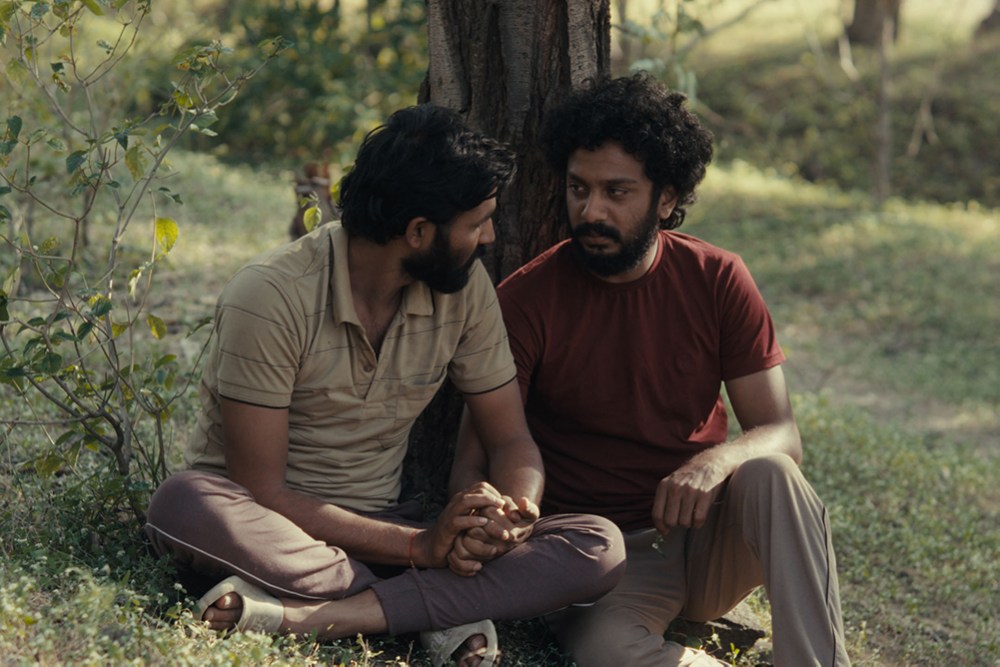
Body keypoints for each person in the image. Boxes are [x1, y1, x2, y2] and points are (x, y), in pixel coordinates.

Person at [144, 104, 625, 666]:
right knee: (181, 502)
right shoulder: (271, 296)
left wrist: (513, 516)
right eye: (477, 223)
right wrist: (424, 549)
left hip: (387, 527)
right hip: (269, 528)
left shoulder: (463, 290)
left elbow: (510, 440)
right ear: (418, 232)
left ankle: (320, 615)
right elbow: (263, 490)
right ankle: (435, 610)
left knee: (598, 547)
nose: (490, 237)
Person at [452, 73, 850, 666]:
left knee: (774, 474)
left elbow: (782, 432)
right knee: (606, 650)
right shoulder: (526, 300)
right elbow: (475, 454)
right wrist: (491, 516)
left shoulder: (718, 278)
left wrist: (714, 463)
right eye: (579, 188)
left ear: (666, 198)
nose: (591, 211)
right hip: (609, 557)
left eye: (617, 192)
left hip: (709, 534)